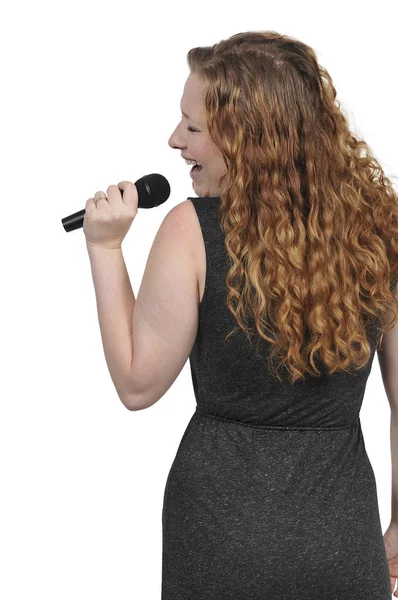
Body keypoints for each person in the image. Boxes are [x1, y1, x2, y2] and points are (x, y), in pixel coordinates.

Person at [163, 30, 398, 598]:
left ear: (249, 140)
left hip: (216, 537)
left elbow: (136, 382)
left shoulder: (192, 230)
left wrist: (102, 251)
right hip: (342, 539)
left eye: (193, 128)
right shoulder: (380, 231)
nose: (174, 140)